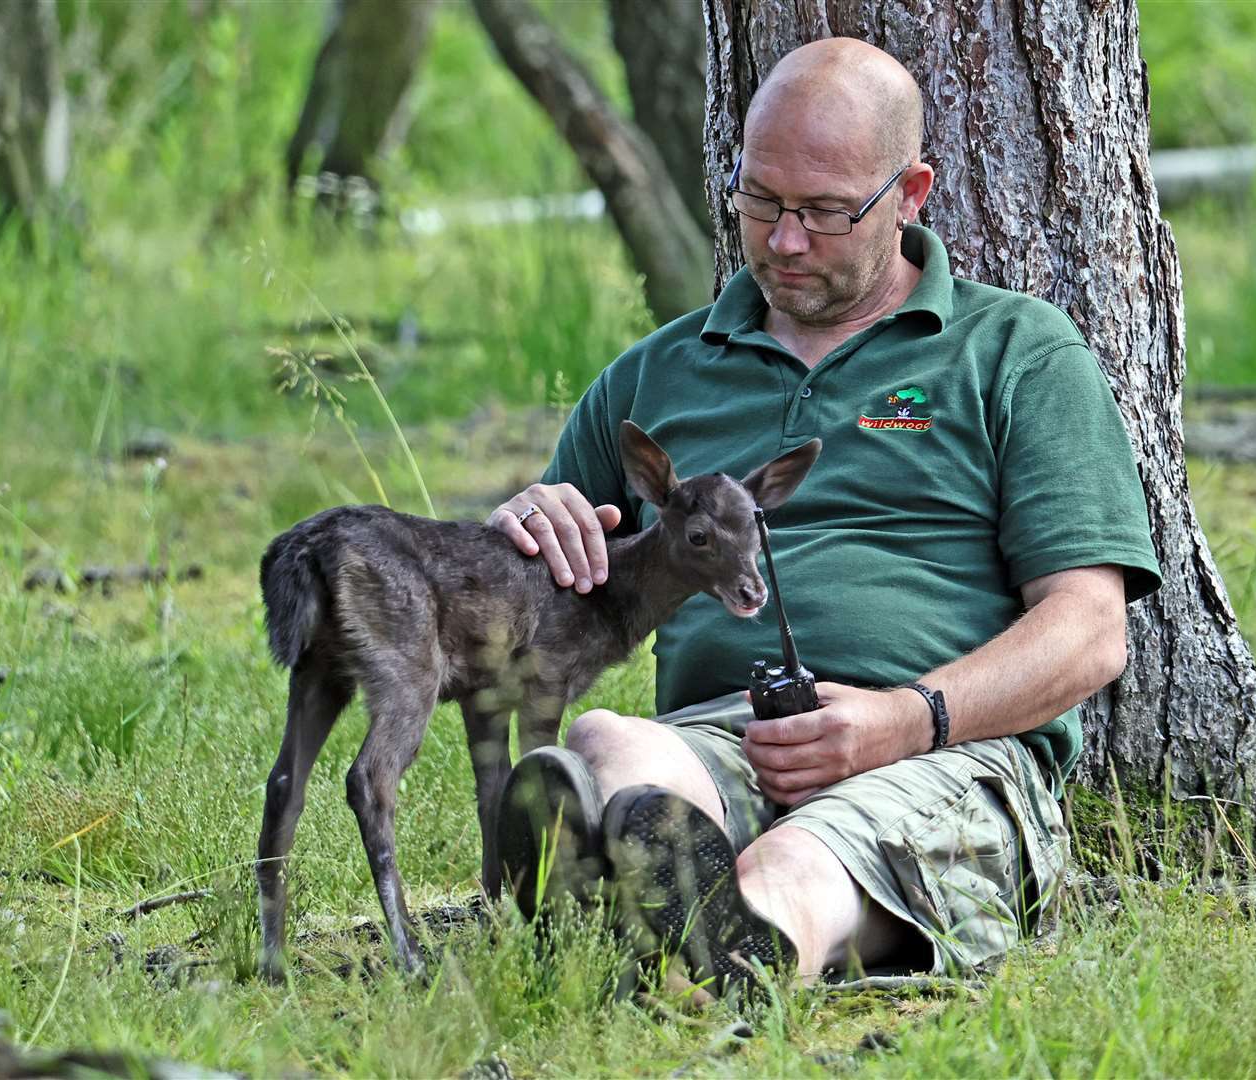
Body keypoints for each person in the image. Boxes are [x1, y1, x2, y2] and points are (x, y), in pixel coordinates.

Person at [484, 37, 1161, 993]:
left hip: (943, 754)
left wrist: (901, 719)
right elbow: (540, 613)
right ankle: (640, 893)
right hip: (719, 740)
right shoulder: (659, 374)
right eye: (759, 200)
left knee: (797, 865)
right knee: (601, 743)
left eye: (825, 212)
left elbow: (1089, 634)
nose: (784, 240)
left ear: (911, 193)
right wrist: (525, 532)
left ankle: (727, 953)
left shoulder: (1014, 353)